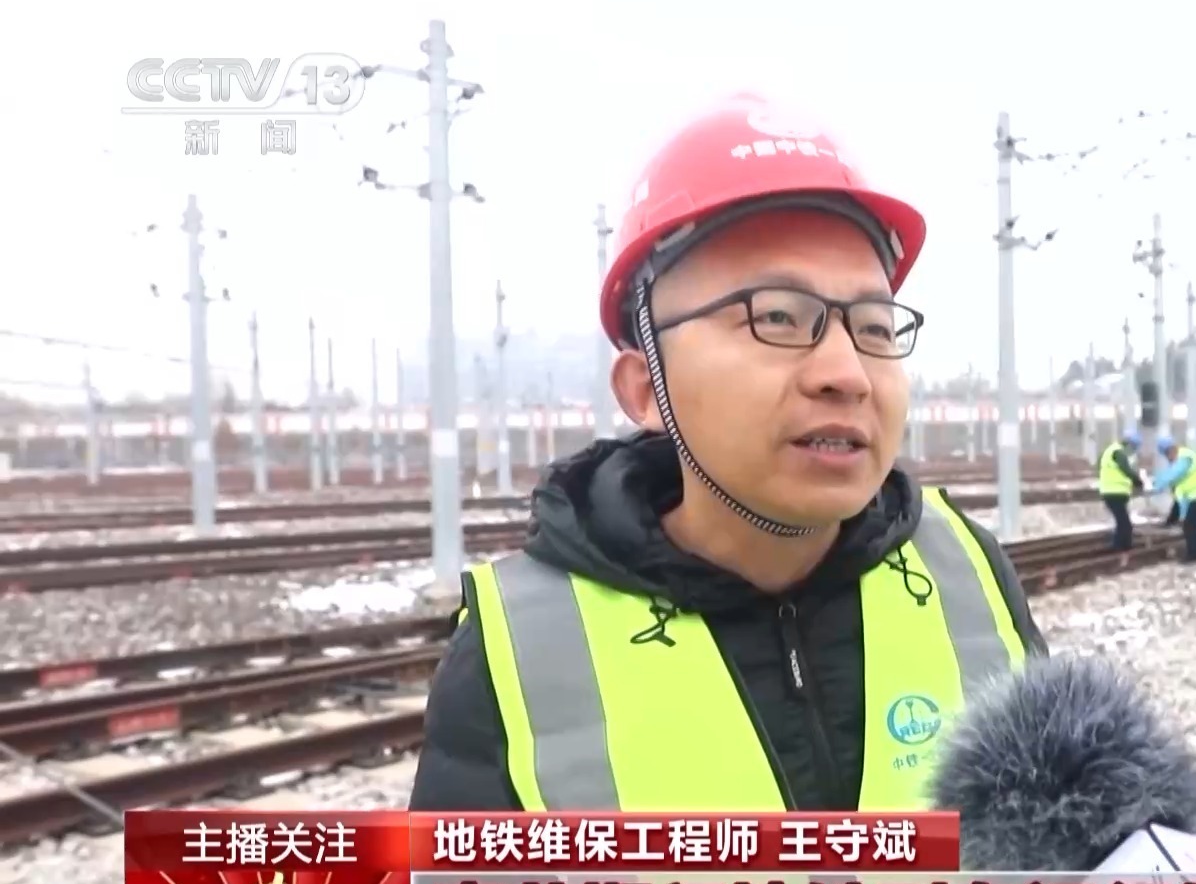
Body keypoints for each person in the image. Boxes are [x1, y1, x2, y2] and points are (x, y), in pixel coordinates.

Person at [408, 93, 1049, 813]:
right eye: (776, 316)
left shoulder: (966, 573)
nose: (847, 373)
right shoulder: (524, 648)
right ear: (646, 387)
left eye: (873, 326)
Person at [1148, 435, 1196, 563]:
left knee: (1190, 525)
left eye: (1168, 453)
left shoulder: (1184, 457)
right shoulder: (1179, 459)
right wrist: (1170, 520)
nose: (1168, 457)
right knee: (1193, 524)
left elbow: (1173, 474)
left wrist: (1157, 486)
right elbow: (1177, 497)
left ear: (1172, 449)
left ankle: (1195, 555)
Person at [1096, 430, 1146, 549]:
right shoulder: (1118, 452)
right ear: (1128, 443)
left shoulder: (1112, 451)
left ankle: (1121, 546)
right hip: (1114, 492)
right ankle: (1121, 547)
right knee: (1124, 524)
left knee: (1122, 522)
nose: (1133, 450)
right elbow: (1126, 470)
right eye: (1133, 447)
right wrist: (1138, 481)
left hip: (1113, 492)